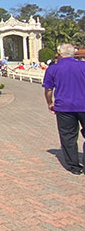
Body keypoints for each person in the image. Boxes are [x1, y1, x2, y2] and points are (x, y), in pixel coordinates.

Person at [42, 43, 85, 175]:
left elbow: (48, 89)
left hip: (64, 107)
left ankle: (74, 167)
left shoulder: (53, 69)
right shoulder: (83, 66)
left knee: (68, 136)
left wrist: (50, 102)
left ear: (59, 54)